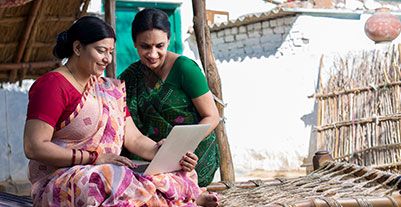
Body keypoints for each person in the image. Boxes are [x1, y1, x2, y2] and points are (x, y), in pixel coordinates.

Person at [23, 16, 218, 207]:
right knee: (108, 178)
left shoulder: (109, 89)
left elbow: (134, 139)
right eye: (101, 51)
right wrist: (93, 158)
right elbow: (34, 146)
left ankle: (183, 197)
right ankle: (181, 200)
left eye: (110, 52)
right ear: (77, 48)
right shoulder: (52, 85)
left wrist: (166, 153)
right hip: (64, 178)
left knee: (174, 172)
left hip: (108, 168)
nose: (107, 59)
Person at [119, 8, 220, 187]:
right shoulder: (129, 77)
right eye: (145, 46)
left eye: (159, 46)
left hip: (192, 156)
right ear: (134, 42)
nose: (152, 54)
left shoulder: (185, 69)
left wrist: (180, 147)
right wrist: (158, 150)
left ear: (169, 40)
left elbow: (212, 116)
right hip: (149, 156)